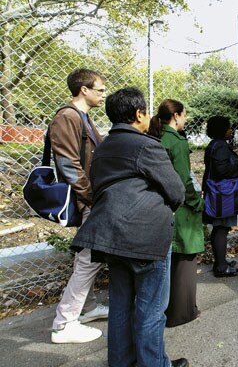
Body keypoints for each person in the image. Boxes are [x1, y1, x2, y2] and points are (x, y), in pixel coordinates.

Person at [70, 87, 188, 367]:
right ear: (138, 114)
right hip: (145, 237)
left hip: (111, 238)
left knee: (121, 307)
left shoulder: (102, 149)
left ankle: (122, 362)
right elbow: (176, 192)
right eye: (146, 112)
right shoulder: (147, 145)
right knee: (151, 311)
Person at [50, 68, 108, 344]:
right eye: (99, 89)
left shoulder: (83, 117)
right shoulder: (67, 117)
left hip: (88, 197)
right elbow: (68, 164)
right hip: (86, 198)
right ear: (83, 89)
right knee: (88, 259)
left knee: (86, 258)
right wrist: (90, 196)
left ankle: (85, 308)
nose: (102, 94)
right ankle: (64, 324)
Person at [148, 99, 204, 328]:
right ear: (176, 116)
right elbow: (183, 180)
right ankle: (182, 313)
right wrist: (197, 203)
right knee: (186, 258)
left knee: (168, 262)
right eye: (185, 114)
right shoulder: (177, 141)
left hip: (161, 208)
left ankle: (166, 310)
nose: (187, 118)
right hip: (181, 208)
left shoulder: (156, 137)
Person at [203, 116, 238, 277]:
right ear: (221, 130)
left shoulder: (213, 145)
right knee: (221, 228)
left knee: (220, 228)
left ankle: (220, 262)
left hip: (216, 192)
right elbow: (223, 171)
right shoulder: (221, 147)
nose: (231, 131)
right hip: (222, 195)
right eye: (229, 128)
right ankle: (221, 267)